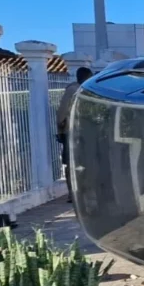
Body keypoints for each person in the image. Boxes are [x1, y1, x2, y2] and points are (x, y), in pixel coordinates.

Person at [56, 67, 93, 202]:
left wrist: (60, 130)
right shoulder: (82, 90)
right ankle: (78, 192)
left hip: (72, 132)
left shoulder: (75, 89)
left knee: (73, 163)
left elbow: (61, 113)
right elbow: (62, 113)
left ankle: (75, 192)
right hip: (79, 132)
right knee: (78, 163)